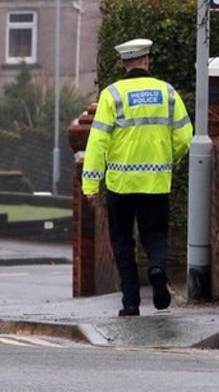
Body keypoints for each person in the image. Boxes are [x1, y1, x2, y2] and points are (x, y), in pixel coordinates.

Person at [82, 38, 193, 317]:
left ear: (124, 63)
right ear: (146, 61)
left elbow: (97, 143)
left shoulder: (112, 94)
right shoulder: (167, 92)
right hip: (156, 182)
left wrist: (91, 184)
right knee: (155, 235)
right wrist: (168, 159)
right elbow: (184, 136)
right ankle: (156, 268)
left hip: (121, 184)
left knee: (122, 242)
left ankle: (130, 302)